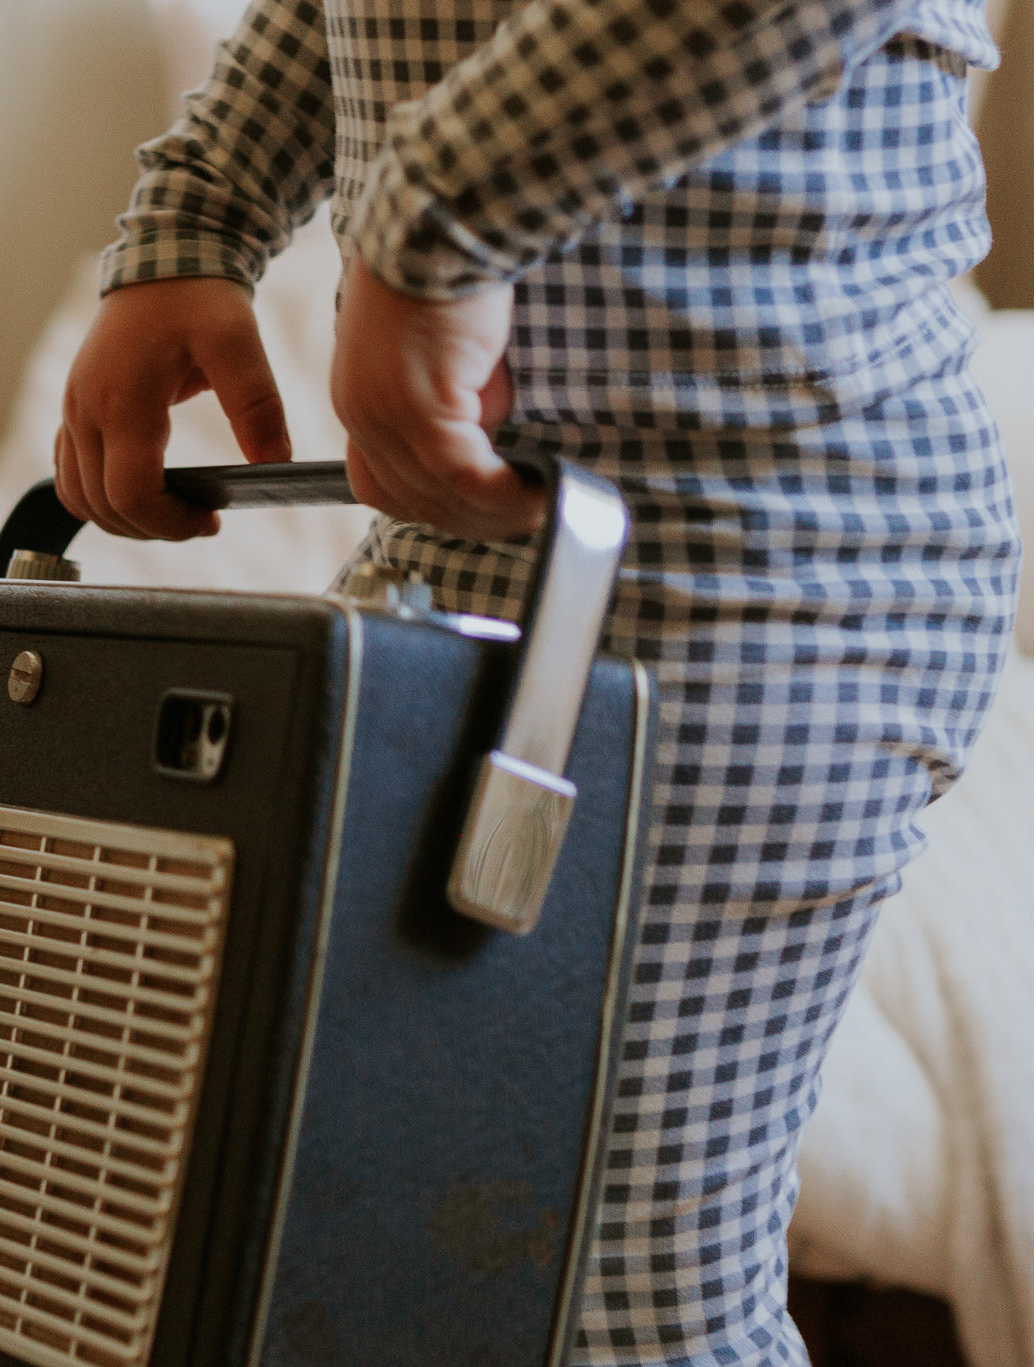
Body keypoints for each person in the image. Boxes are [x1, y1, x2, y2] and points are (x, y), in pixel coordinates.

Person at [53, 0, 1021, 1353]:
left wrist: (431, 222)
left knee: (606, 1286)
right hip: (473, 549)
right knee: (397, 1234)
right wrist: (197, 218)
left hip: (752, 543)